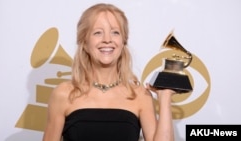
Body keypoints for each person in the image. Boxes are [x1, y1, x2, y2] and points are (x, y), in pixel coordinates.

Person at [42, 3, 175, 141]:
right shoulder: (63, 94)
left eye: (115, 32)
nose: (107, 39)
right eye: (98, 32)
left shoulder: (140, 95)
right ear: (85, 43)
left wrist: (164, 98)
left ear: (123, 42)